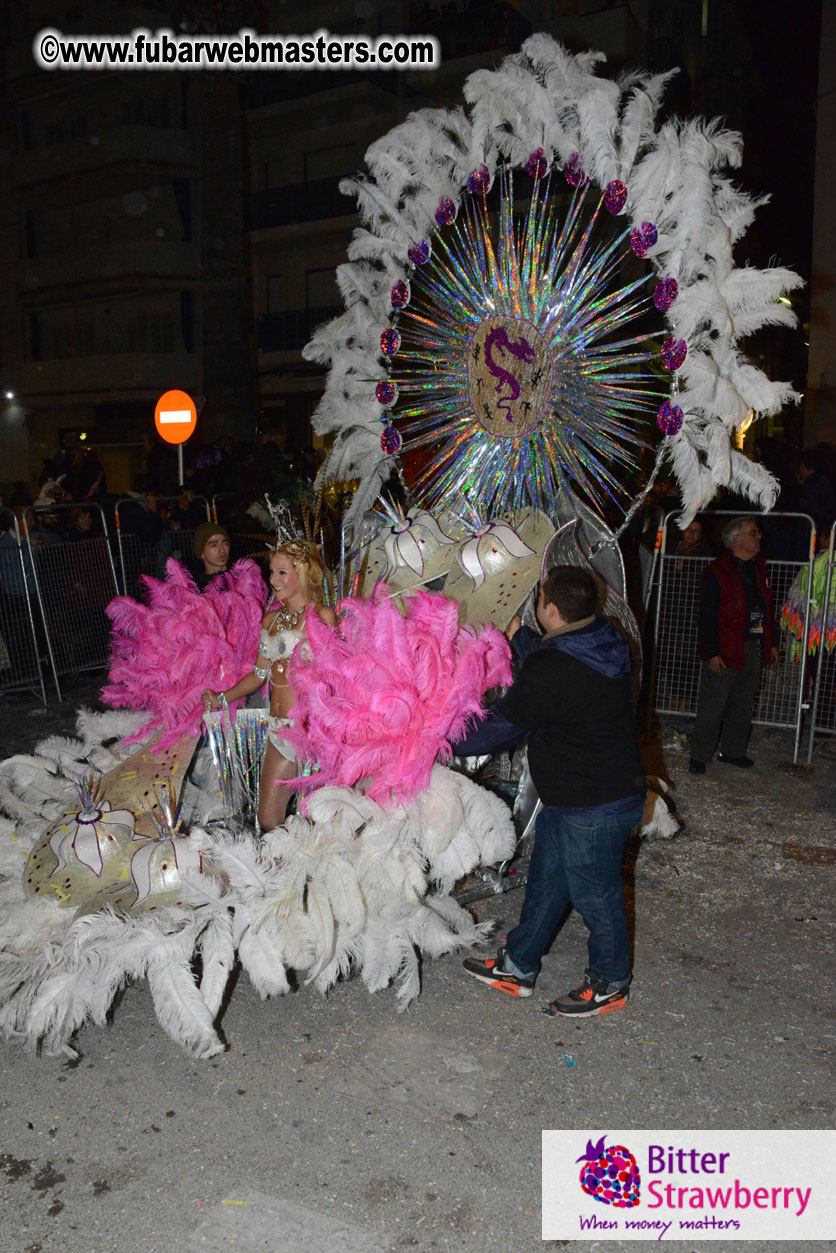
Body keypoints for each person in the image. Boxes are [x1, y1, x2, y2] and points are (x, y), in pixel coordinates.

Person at [451, 565, 646, 1017]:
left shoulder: (553, 667)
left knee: (596, 895)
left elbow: (501, 729)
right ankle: (518, 966)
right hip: (580, 794)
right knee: (546, 883)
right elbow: (552, 660)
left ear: (551, 609)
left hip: (595, 803)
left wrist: (436, 737)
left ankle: (611, 983)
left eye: (539, 598)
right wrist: (521, 640)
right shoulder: (605, 637)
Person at [201, 539, 336, 831]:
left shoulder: (321, 618)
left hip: (307, 734)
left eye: (282, 572)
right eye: (272, 572)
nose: (273, 580)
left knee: (293, 819)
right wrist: (222, 698)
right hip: (277, 729)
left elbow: (333, 680)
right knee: (271, 820)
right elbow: (259, 674)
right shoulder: (271, 620)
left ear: (302, 572)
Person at [689, 516, 778, 774]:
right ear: (736, 538)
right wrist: (712, 652)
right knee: (713, 703)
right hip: (726, 646)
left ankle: (733, 751)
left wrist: (770, 642)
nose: (759, 536)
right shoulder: (717, 572)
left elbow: (767, 608)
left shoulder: (760, 569)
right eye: (753, 532)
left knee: (743, 701)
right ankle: (700, 754)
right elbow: (706, 615)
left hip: (751, 643)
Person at [193, 522, 231, 591]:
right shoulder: (196, 587)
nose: (222, 550)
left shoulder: (241, 579)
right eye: (214, 545)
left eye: (225, 543)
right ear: (202, 553)